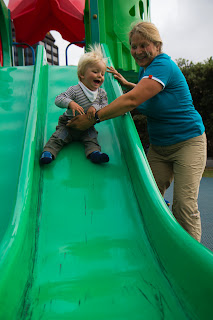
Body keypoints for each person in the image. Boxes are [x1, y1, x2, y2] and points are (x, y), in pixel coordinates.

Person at [67, 21, 207, 242]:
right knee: (147, 195)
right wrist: (128, 83)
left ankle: (192, 261)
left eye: (144, 45)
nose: (138, 51)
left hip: (188, 142)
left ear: (157, 45)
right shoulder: (146, 69)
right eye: (134, 46)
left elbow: (132, 100)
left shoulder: (163, 65)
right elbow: (148, 91)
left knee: (184, 205)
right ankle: (158, 243)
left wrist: (92, 118)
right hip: (160, 148)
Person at [40, 44, 109, 165]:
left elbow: (105, 105)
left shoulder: (101, 93)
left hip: (87, 125)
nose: (100, 76)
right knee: (58, 137)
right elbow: (58, 99)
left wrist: (95, 107)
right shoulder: (75, 90)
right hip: (69, 124)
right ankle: (48, 152)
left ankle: (94, 154)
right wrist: (70, 103)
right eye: (95, 71)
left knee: (92, 139)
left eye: (102, 74)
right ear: (82, 74)